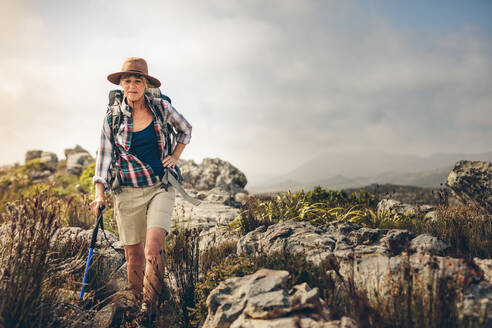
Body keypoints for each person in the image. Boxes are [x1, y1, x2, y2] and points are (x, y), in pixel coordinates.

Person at [89, 57, 192, 312]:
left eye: (138, 80)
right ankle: (136, 306)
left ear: (146, 84)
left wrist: (175, 156)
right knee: (133, 257)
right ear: (121, 85)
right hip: (127, 191)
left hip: (161, 186)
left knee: (153, 247)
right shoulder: (112, 118)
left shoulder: (160, 108)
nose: (132, 85)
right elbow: (103, 157)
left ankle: (148, 310)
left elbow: (186, 130)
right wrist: (100, 195)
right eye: (128, 81)